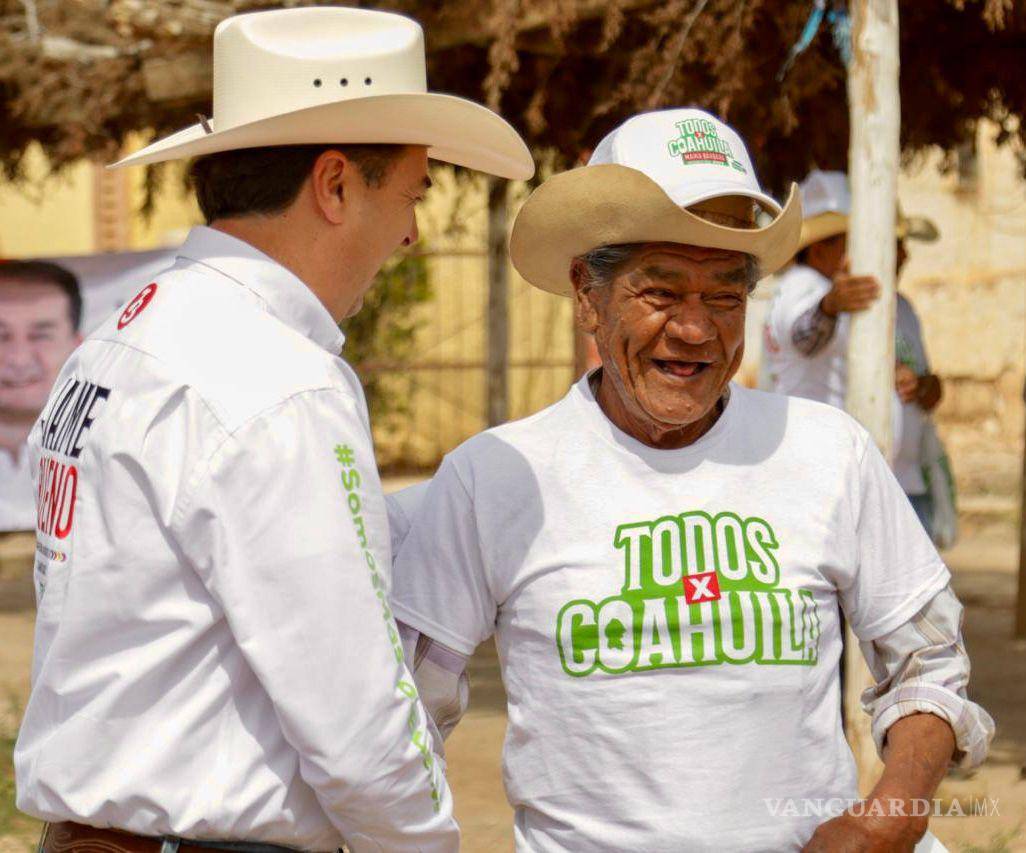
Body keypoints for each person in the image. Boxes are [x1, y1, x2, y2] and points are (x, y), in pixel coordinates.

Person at [390, 108, 993, 851]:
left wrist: (887, 820)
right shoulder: (498, 477)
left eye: (724, 296)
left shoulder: (827, 451)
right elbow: (403, 711)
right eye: (662, 291)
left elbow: (929, 657)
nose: (697, 329)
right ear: (587, 293)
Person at [14, 7, 532, 853]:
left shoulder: (121, 339)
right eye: (408, 195)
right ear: (334, 186)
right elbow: (354, 719)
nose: (408, 232)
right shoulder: (273, 379)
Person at [763, 170, 945, 530]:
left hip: (887, 479)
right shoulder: (803, 286)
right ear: (820, 248)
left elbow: (919, 383)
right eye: (851, 241)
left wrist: (918, 384)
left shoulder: (889, 304)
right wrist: (831, 305)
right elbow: (803, 335)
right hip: (824, 479)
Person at [0, 261, 82, 532]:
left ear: (78, 346)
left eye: (41, 336)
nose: (19, 360)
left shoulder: (115, 458)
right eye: (1, 337)